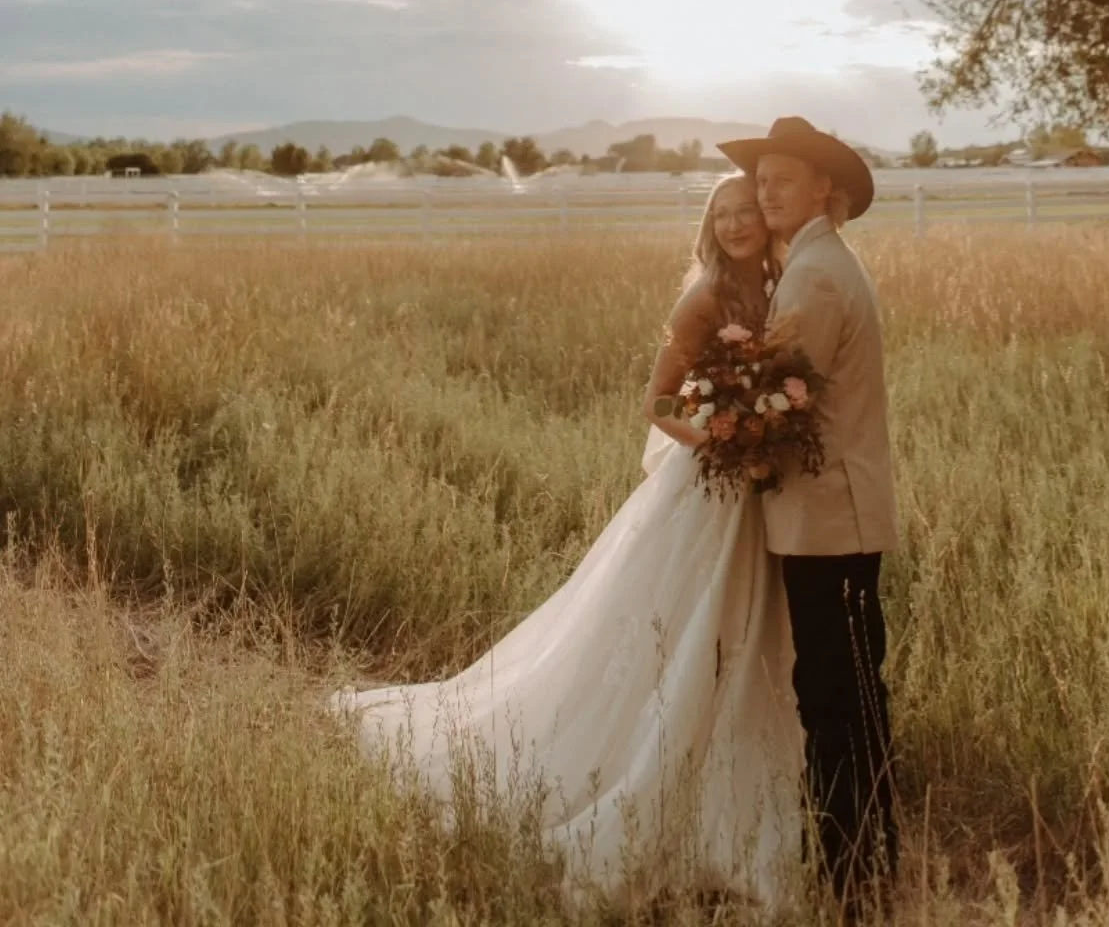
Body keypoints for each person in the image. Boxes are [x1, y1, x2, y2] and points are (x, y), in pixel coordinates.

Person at [331, 173, 804, 906]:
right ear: (710, 226)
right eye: (726, 214)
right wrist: (713, 437)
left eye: (748, 211)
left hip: (755, 492)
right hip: (710, 485)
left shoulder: (777, 285)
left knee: (745, 631)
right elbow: (656, 400)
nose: (739, 223)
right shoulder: (704, 296)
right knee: (680, 627)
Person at [718, 117, 902, 914]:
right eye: (760, 181)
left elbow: (779, 401)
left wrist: (726, 433)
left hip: (832, 519)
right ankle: (865, 856)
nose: (765, 193)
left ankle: (852, 871)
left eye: (781, 180)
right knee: (849, 689)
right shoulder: (814, 264)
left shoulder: (816, 277)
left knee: (835, 693)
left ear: (824, 189)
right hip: (834, 517)